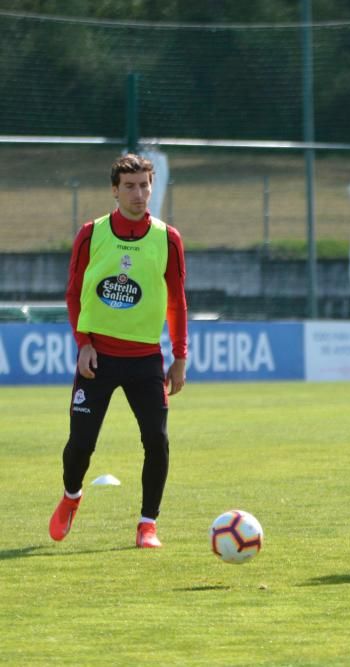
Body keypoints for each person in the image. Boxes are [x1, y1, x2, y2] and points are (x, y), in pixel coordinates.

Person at [49, 153, 188, 549]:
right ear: (114, 190)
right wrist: (84, 345)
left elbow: (177, 301)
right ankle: (72, 496)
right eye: (130, 186)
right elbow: (74, 294)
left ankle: (148, 525)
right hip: (98, 359)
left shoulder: (168, 238)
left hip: (146, 360)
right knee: (80, 446)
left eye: (145, 185)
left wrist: (179, 356)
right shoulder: (91, 234)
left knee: (157, 441)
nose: (139, 193)